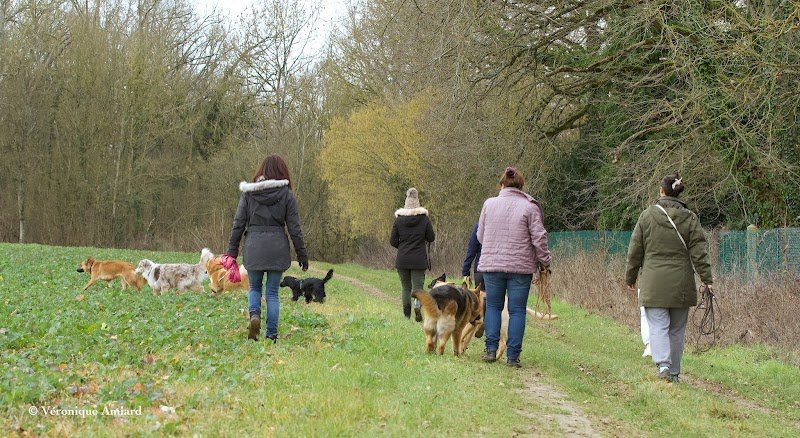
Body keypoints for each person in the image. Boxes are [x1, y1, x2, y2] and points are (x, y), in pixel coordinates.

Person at [625, 174, 713, 382]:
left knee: (657, 325)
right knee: (676, 330)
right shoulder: (690, 218)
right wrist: (707, 279)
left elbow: (635, 250)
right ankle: (674, 373)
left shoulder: (647, 216)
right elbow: (700, 252)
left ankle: (663, 365)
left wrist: (630, 276)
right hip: (681, 283)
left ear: (662, 191)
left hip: (653, 282)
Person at [226, 154, 308, 342]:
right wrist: (302, 255)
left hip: (254, 247)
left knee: (254, 288)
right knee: (272, 293)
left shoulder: (249, 194)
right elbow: (294, 228)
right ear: (283, 172)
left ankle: (254, 315)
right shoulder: (286, 195)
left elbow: (238, 223)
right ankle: (271, 335)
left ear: (260, 171)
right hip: (277, 248)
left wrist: (232, 251)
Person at [477, 167, 551, 368]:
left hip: (492, 266)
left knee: (493, 306)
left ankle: (491, 350)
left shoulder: (489, 204)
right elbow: (539, 237)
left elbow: (480, 236)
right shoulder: (530, 207)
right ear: (521, 187)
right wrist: (545, 261)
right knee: (517, 310)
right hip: (520, 267)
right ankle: (513, 356)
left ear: (502, 185)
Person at [390, 188, 435, 321]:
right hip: (419, 260)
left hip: (402, 259)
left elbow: (392, 241)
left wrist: (402, 247)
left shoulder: (398, 221)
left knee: (405, 287)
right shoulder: (424, 220)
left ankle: (406, 315)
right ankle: (417, 305)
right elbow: (431, 237)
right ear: (418, 203)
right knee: (418, 288)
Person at [461, 222, 483, 290]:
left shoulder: (479, 226)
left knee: (481, 297)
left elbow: (472, 250)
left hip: (481, 267)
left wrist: (465, 271)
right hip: (501, 269)